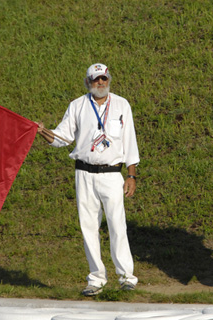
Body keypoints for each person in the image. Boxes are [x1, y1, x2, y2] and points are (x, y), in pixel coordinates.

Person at [36, 63, 139, 296]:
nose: (100, 83)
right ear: (87, 82)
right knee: (88, 227)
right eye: (95, 80)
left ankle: (126, 277)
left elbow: (130, 141)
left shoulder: (122, 104)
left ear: (109, 80)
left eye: (103, 78)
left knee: (117, 225)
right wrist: (42, 131)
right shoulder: (77, 106)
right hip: (84, 173)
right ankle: (96, 278)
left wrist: (131, 175)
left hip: (112, 174)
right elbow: (62, 137)